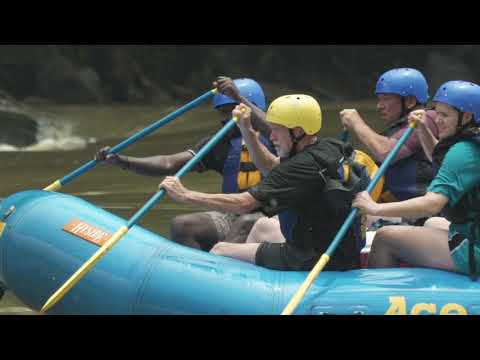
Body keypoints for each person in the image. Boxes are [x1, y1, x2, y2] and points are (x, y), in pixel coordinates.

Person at [160, 94, 362, 271]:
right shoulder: (327, 148)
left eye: (277, 130)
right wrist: (247, 130)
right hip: (336, 248)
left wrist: (185, 194)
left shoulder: (301, 166)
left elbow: (244, 203)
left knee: (220, 250)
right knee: (261, 226)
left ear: (298, 132)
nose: (271, 136)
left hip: (311, 257)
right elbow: (273, 168)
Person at [95, 77, 275, 251]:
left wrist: (238, 98)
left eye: (233, 110)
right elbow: (168, 163)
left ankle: (222, 268)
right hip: (234, 213)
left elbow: (272, 127)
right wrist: (123, 161)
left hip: (273, 218)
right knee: (183, 225)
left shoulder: (279, 138)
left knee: (246, 223)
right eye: (224, 112)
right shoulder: (220, 143)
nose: (227, 118)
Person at [352, 80, 480, 279]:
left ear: (467, 116)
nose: (437, 120)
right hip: (472, 232)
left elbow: (432, 204)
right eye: (437, 113)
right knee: (432, 223)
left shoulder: (463, 150)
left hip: (475, 249)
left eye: (445, 115)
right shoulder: (471, 145)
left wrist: (375, 208)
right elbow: (444, 164)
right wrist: (422, 129)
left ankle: (378, 297)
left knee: (385, 237)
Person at [340, 68, 439, 211]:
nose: (379, 106)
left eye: (386, 98)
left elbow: (387, 153)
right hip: (397, 208)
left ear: (410, 101)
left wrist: (357, 123)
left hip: (421, 213)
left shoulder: (426, 120)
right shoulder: (397, 127)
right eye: (379, 99)